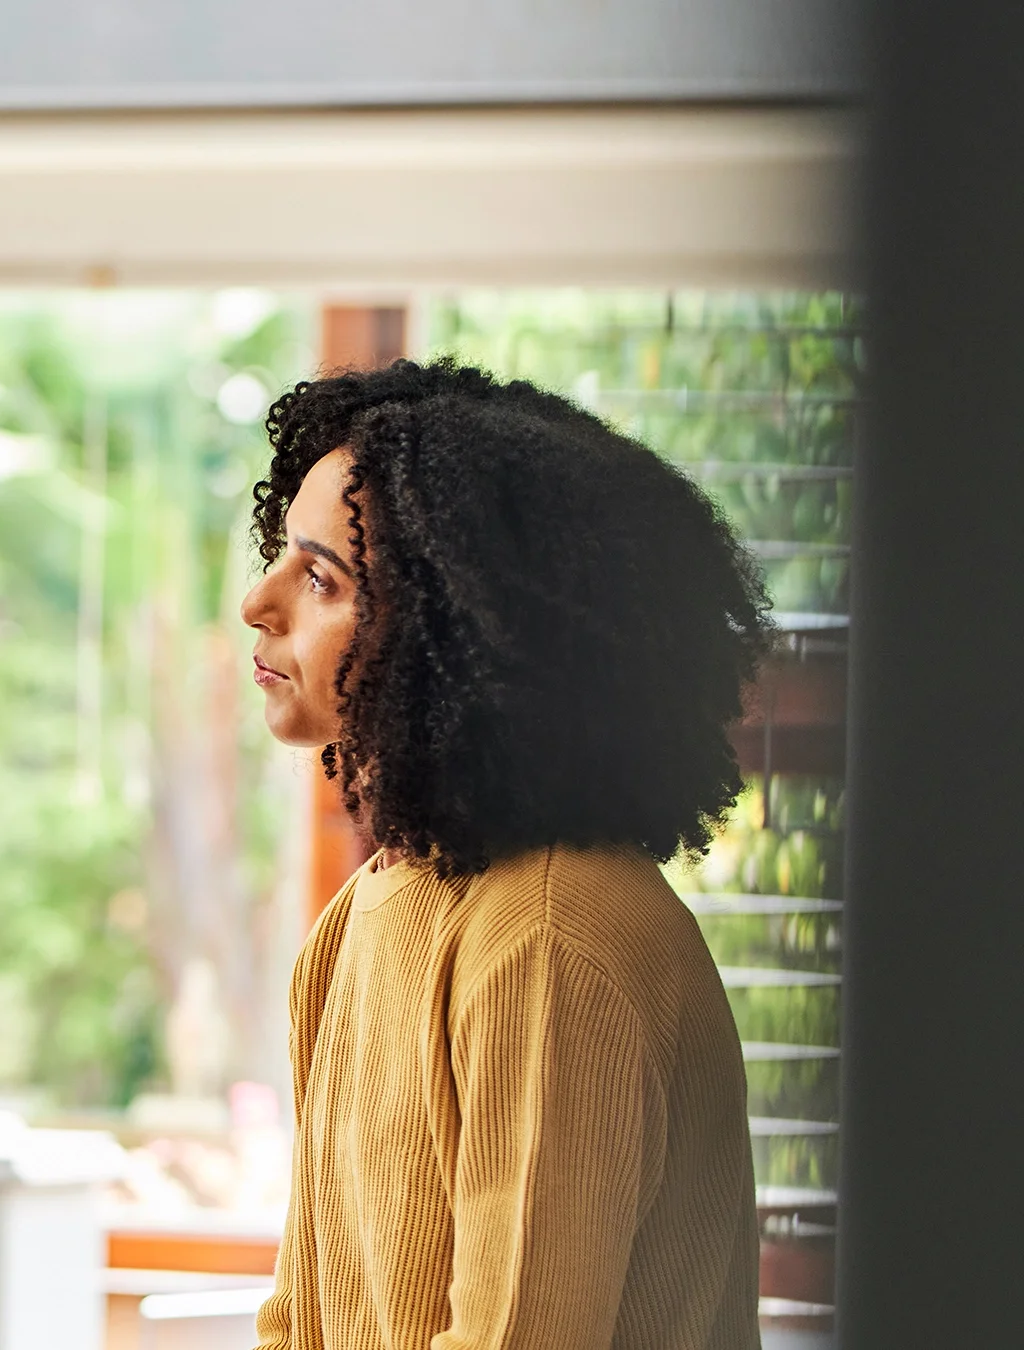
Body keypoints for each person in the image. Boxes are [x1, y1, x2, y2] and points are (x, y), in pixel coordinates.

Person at [237, 360, 769, 1350]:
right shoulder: (377, 903)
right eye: (282, 556)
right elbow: (301, 1317)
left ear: (455, 633)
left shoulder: (550, 940)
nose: (258, 604)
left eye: (321, 578)